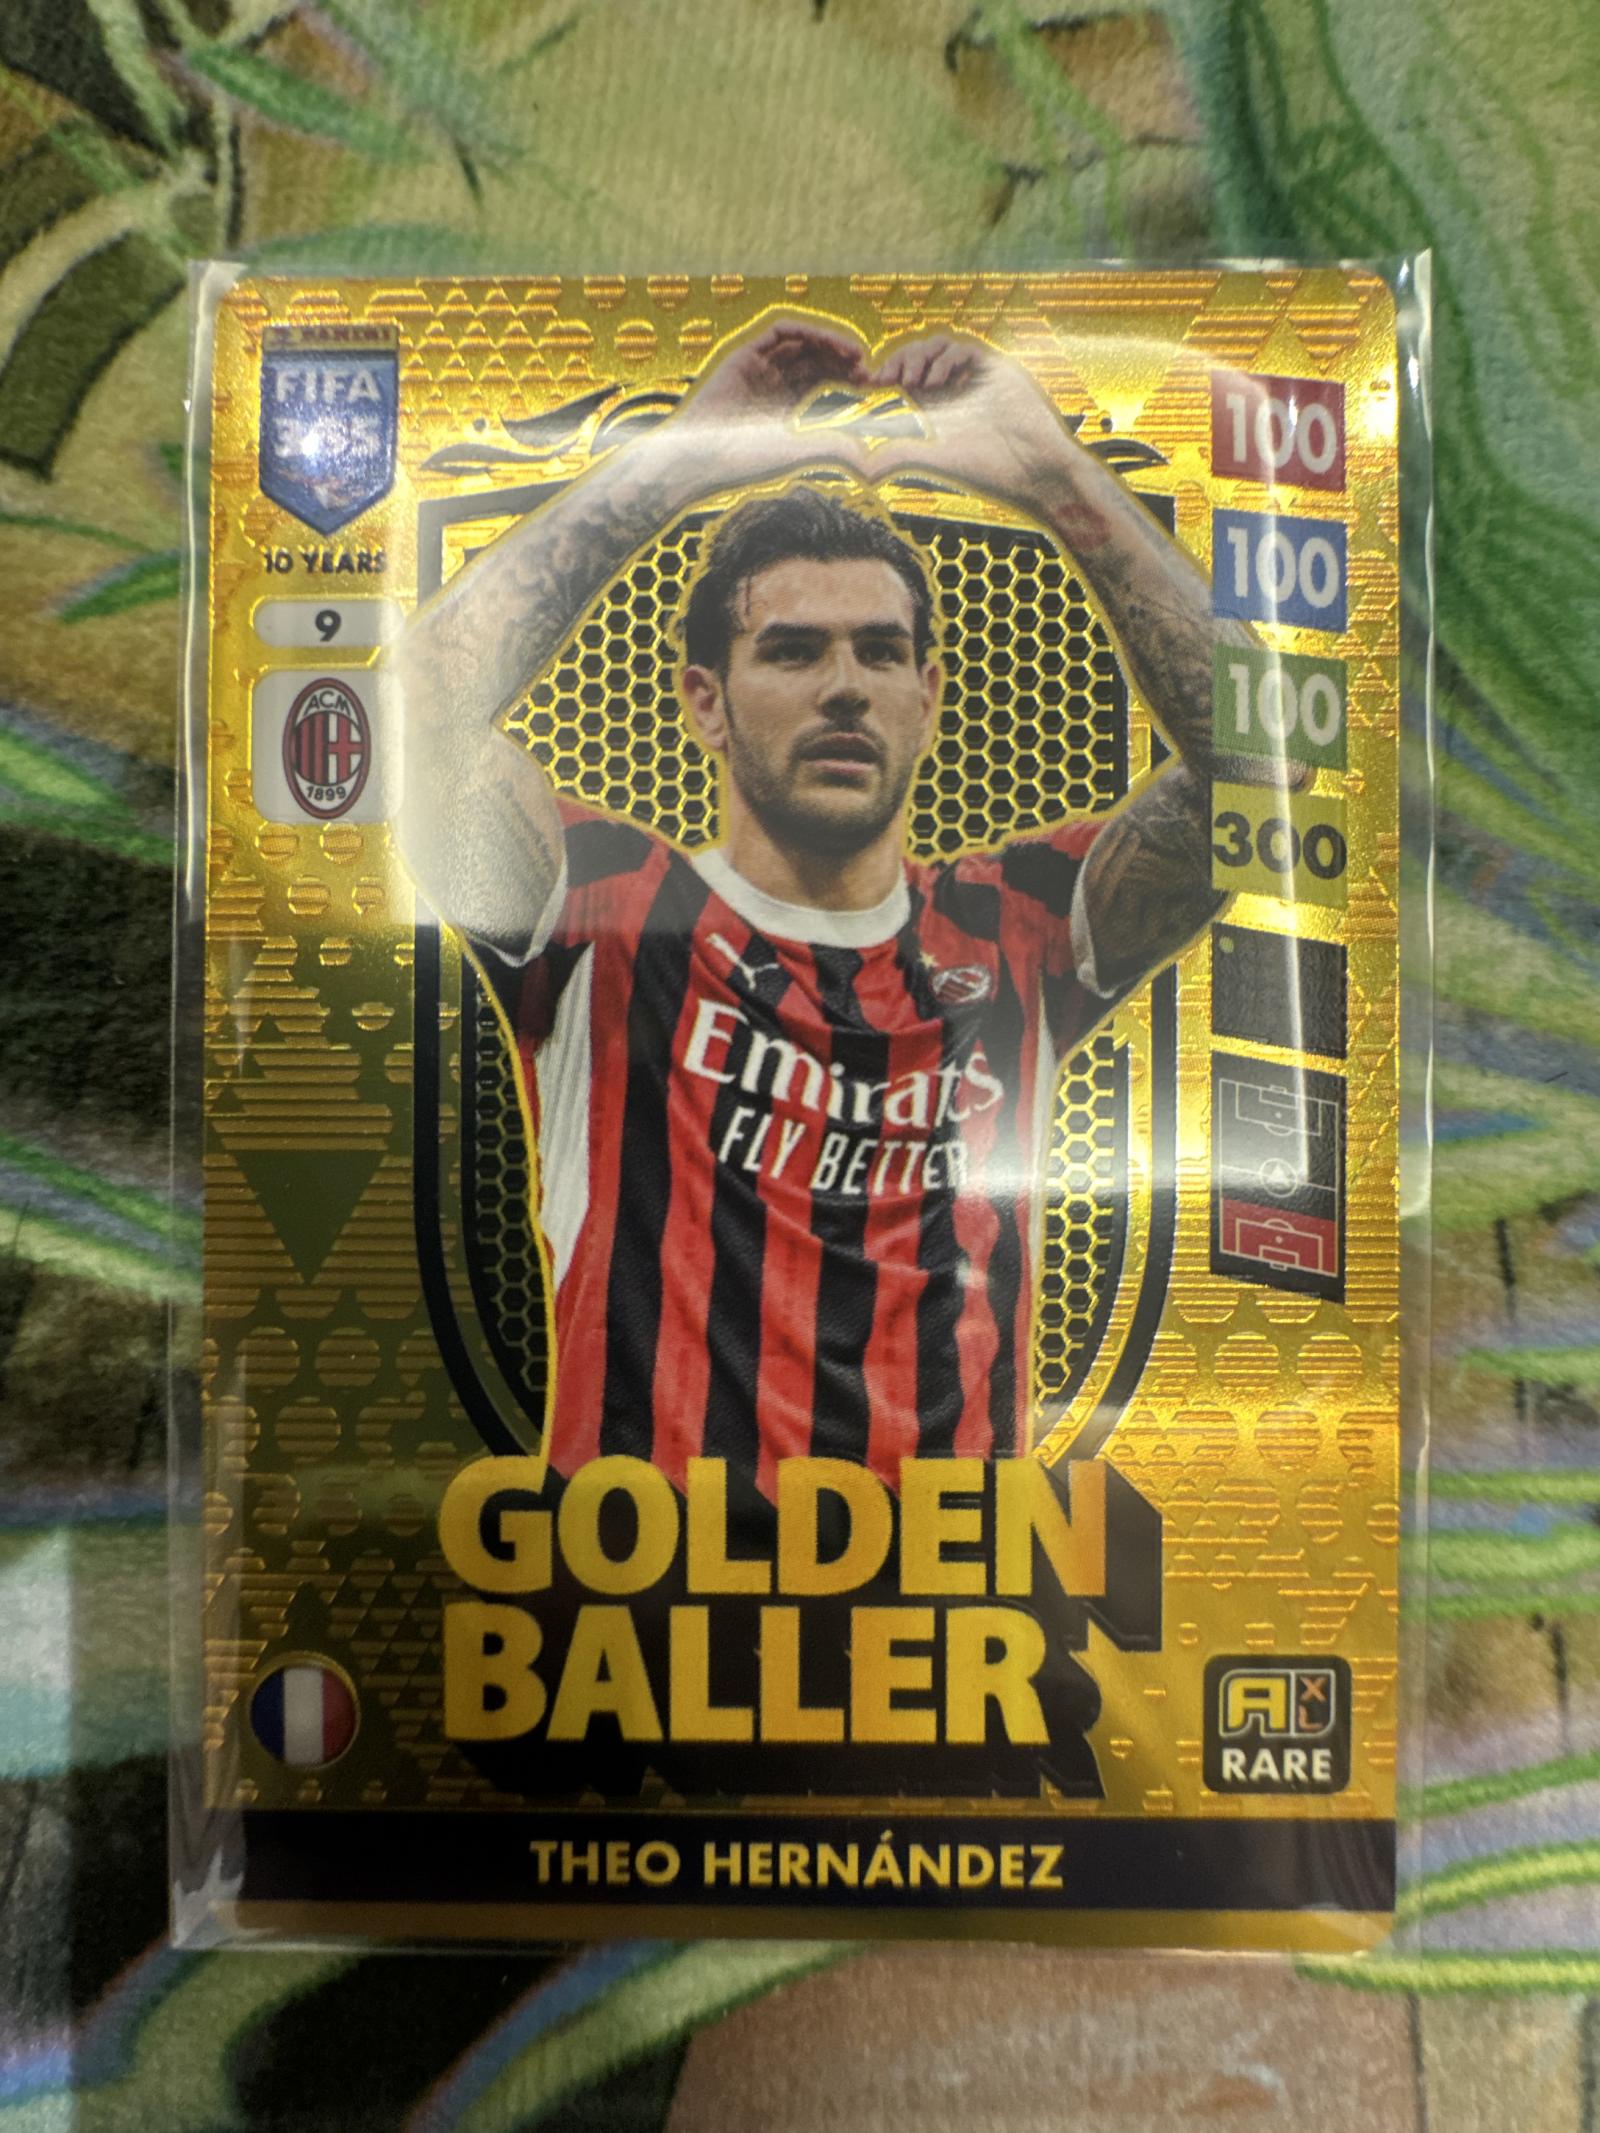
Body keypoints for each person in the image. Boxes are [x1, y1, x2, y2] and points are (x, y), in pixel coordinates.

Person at [392, 313, 1256, 1499]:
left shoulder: (1014, 925)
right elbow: (401, 722)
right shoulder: (598, 906)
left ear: (927, 697)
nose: (845, 687)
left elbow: (1262, 768)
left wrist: (1055, 476)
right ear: (706, 700)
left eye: (880, 653)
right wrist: (672, 466)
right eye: (793, 651)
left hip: (950, 1598)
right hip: (643, 1598)